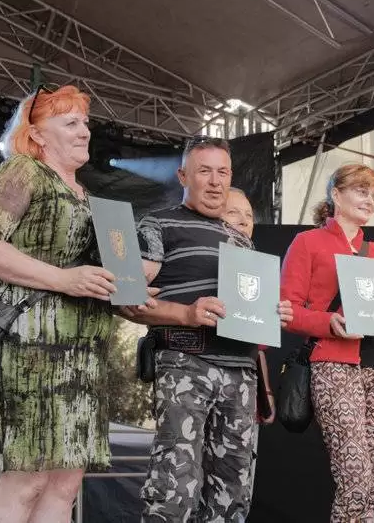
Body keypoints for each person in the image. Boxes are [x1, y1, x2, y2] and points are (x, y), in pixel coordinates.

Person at [0, 85, 155, 523]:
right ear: (37, 134)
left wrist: (127, 290)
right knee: (24, 484)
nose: (84, 131)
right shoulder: (23, 171)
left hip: (83, 353)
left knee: (64, 487)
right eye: (70, 123)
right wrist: (64, 279)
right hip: (28, 345)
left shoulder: (87, 196)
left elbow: (88, 277)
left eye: (85, 122)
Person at [122, 136, 292, 522]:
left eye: (223, 172)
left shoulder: (242, 241)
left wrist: (272, 312)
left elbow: (249, 313)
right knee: (174, 485)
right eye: (204, 171)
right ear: (183, 176)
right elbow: (128, 301)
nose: (215, 181)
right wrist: (185, 313)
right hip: (185, 362)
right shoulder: (159, 223)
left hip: (241, 373)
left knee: (233, 493)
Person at [280, 163, 374, 523]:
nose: (370, 200)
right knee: (355, 481)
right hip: (334, 365)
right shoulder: (308, 242)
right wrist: (328, 323)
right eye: (361, 191)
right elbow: (287, 310)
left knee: (372, 485)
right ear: (336, 194)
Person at [221, 187, 275, 501]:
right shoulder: (201, 261)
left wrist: (266, 394)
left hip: (245, 392)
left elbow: (259, 347)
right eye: (233, 213)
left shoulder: (257, 270)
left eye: (249, 215)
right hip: (201, 386)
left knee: (239, 485)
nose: (243, 221)